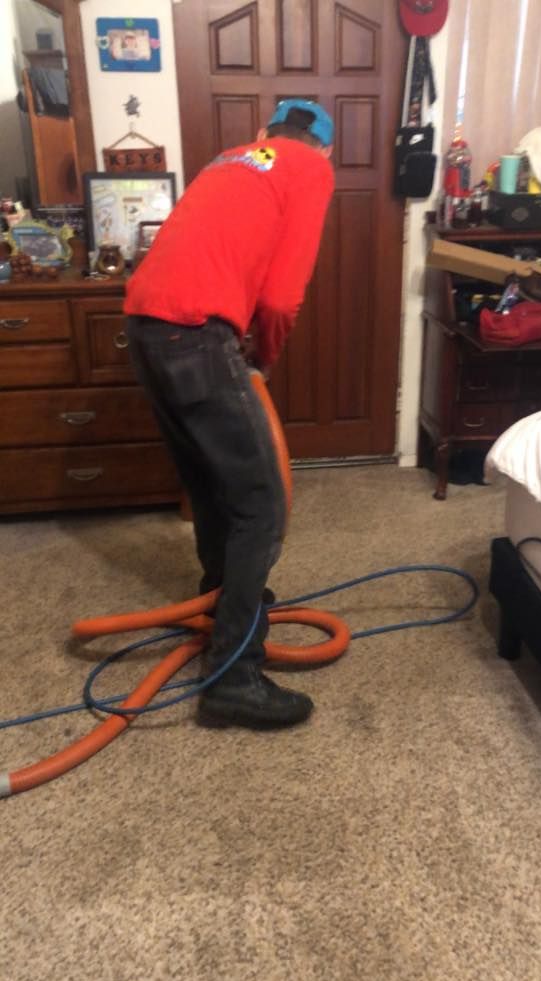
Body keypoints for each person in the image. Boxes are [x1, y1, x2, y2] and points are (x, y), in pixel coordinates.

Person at [124, 99, 335, 730]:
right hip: (195, 333)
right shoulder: (311, 167)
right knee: (262, 508)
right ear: (325, 149)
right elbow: (281, 297)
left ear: (265, 132)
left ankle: (222, 601)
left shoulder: (230, 160)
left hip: (144, 327)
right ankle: (234, 678)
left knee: (212, 484)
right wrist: (262, 361)